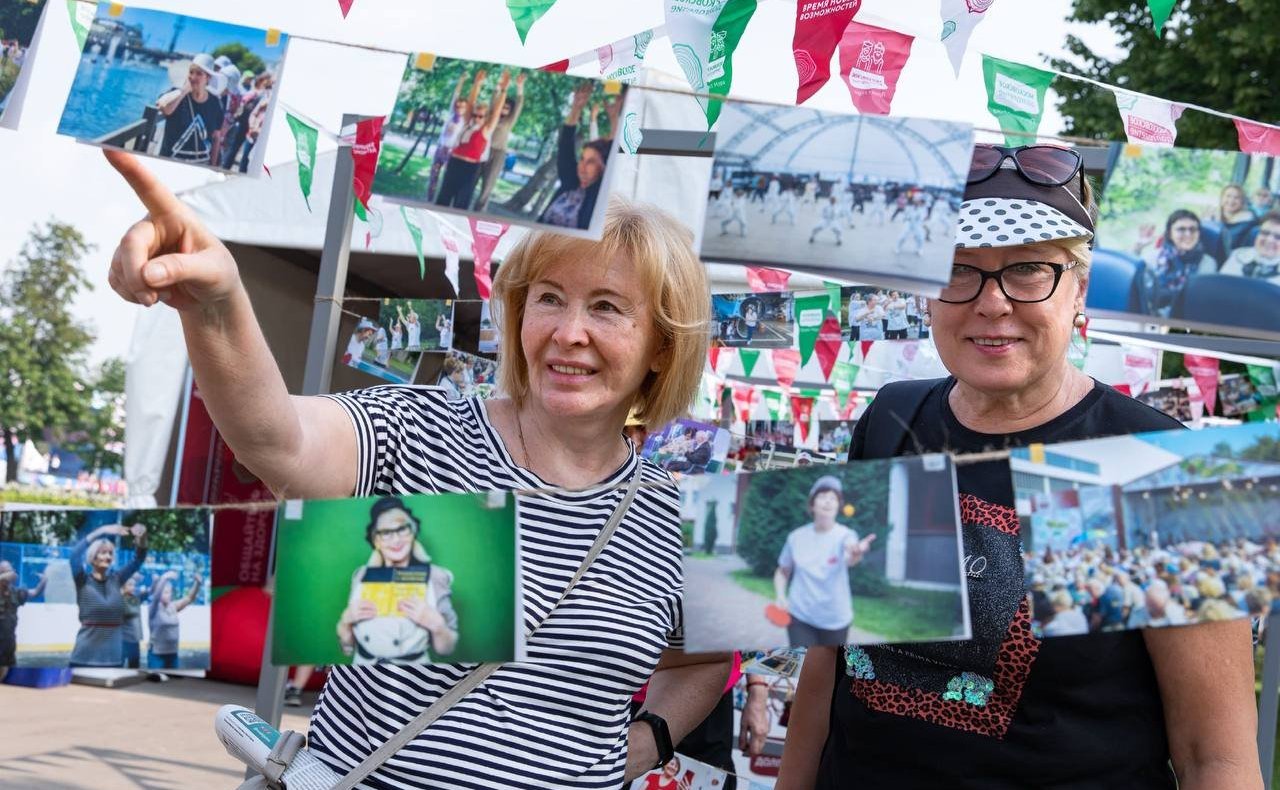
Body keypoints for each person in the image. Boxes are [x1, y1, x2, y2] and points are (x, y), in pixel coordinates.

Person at [103, 147, 731, 787]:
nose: (570, 331)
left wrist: (644, 743)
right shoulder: (420, 432)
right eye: (549, 298)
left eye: (606, 307)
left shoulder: (681, 517)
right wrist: (217, 302)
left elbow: (704, 663)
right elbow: (278, 441)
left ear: (662, 345)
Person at [778, 144, 1261, 789]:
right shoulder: (891, 419)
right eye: (960, 270)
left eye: (1029, 270)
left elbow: (1216, 756)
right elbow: (829, 667)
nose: (992, 302)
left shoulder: (1156, 468)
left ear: (1078, 289)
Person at [337, 497, 458, 664]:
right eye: (386, 532)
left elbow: (447, 649)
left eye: (402, 529)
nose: (396, 539)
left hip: (413, 675)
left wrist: (438, 626)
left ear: (413, 532)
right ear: (376, 539)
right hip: (363, 669)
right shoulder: (361, 575)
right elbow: (347, 649)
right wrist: (345, 623)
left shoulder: (435, 576)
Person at [772, 476, 876, 647]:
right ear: (812, 504)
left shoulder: (846, 535)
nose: (828, 502)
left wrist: (856, 552)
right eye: (822, 497)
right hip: (800, 616)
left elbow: (851, 557)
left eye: (833, 498)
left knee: (830, 668)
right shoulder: (796, 537)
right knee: (804, 665)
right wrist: (781, 595)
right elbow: (783, 570)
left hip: (836, 620)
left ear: (838, 506)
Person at [69, 523, 148, 667]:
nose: (108, 556)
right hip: (83, 658)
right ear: (93, 557)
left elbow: (138, 559)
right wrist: (101, 531)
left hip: (113, 659)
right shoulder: (82, 580)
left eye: (111, 553)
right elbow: (74, 556)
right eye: (103, 552)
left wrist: (141, 537)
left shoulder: (116, 579)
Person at [539, 82, 615, 230]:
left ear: (603, 167)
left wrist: (614, 119)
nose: (583, 167)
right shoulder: (570, 182)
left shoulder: (599, 195)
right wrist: (576, 107)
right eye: (582, 159)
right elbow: (565, 145)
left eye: (591, 162)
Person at [436, 69, 511, 209]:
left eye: (480, 116)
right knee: (443, 199)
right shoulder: (467, 123)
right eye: (475, 115)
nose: (476, 118)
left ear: (485, 118)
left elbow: (496, 112)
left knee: (461, 203)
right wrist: (477, 84)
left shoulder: (486, 129)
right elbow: (471, 103)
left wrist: (504, 90)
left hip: (471, 168)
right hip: (454, 162)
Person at [1132, 209, 1216, 315]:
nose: (1188, 234)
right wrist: (1137, 249)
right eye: (1181, 229)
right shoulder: (1153, 257)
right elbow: (1135, 287)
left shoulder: (1208, 263)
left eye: (1193, 229)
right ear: (1170, 233)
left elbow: (1201, 301)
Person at [157, 53, 225, 165]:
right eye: (191, 72)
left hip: (201, 163)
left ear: (208, 78)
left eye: (199, 73)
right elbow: (165, 108)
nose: (193, 77)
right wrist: (183, 91)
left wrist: (213, 165)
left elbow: (216, 137)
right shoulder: (177, 94)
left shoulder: (215, 104)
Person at [474, 71, 527, 210]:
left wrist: (520, 87)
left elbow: (519, 105)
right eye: (502, 106)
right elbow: (494, 100)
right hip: (482, 151)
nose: (504, 109)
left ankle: (478, 212)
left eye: (507, 108)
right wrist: (500, 86)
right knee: (471, 180)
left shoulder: (509, 121)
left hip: (498, 154)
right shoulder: (492, 114)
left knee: (487, 186)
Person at [427, 72, 475, 202]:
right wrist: (461, 81)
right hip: (441, 148)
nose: (459, 107)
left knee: (447, 179)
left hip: (451, 152)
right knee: (433, 176)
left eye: (462, 106)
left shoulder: (466, 120)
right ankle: (429, 200)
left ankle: (441, 201)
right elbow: (455, 96)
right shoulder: (450, 114)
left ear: (466, 108)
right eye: (457, 105)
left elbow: (470, 102)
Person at [0, 561, 47, 680]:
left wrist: (44, 581)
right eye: (5, 572)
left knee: (5, 666)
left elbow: (35, 592)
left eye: (10, 571)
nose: (9, 575)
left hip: (8, 639)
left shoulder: (15, 592)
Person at [148, 569, 202, 669]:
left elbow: (189, 598)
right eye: (164, 592)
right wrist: (164, 578)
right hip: (157, 655)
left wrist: (197, 584)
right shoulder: (153, 608)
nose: (167, 595)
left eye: (168, 592)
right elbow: (156, 597)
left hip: (173, 654)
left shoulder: (173, 606)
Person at [1219, 212, 1280, 283]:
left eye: (1278, 237)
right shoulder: (1237, 255)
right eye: (1265, 233)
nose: (1269, 240)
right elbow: (1221, 285)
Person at [1206, 183, 1259, 255]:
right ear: (1221, 198)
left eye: (1236, 197)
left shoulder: (1247, 223)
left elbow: (1225, 243)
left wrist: (1218, 223)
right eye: (1228, 196)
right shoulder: (1211, 216)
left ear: (1242, 202)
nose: (1231, 200)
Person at [120, 574, 142, 668]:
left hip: (134, 640)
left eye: (134, 585)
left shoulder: (134, 599)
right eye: (130, 584)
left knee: (135, 667)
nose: (133, 587)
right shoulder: (120, 600)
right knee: (118, 667)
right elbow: (129, 611)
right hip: (123, 640)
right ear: (123, 586)